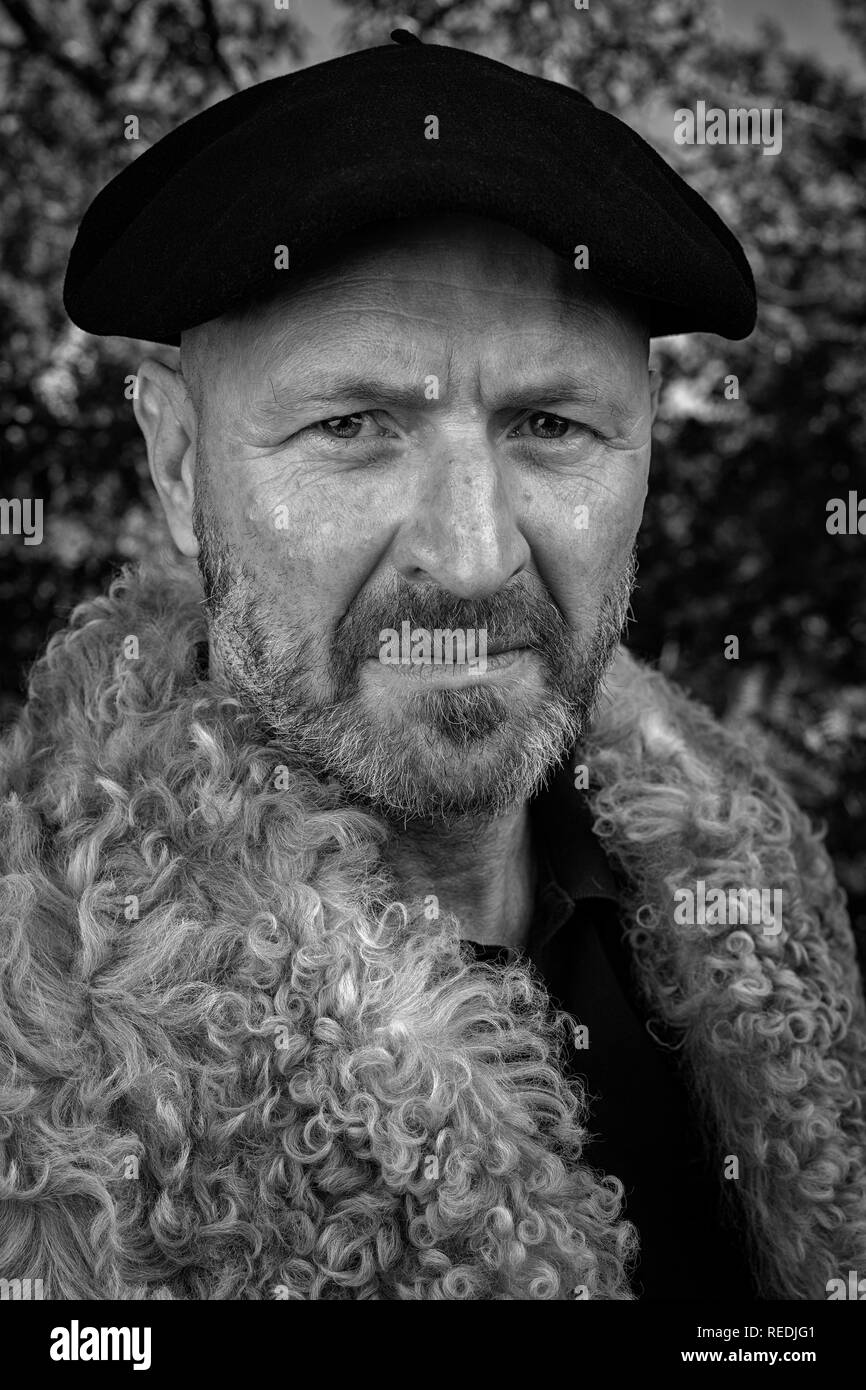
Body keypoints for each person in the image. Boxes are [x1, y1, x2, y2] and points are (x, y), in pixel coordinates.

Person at [1, 31, 864, 1301]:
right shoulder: (37, 1087)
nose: (468, 558)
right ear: (180, 468)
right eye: (353, 427)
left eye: (550, 425)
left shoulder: (767, 911)